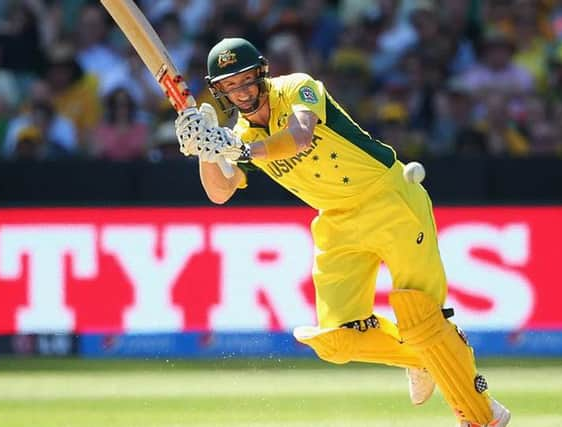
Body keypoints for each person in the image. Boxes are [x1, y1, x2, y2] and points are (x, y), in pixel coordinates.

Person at [174, 37, 511, 427]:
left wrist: (239, 150)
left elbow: (300, 136)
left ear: (262, 73)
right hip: (336, 221)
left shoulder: (295, 88)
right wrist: (205, 149)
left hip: (387, 198)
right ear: (220, 92)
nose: (242, 91)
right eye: (230, 86)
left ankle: (482, 416)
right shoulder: (241, 138)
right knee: (336, 340)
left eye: (246, 79)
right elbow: (220, 192)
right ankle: (426, 355)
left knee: (420, 316)